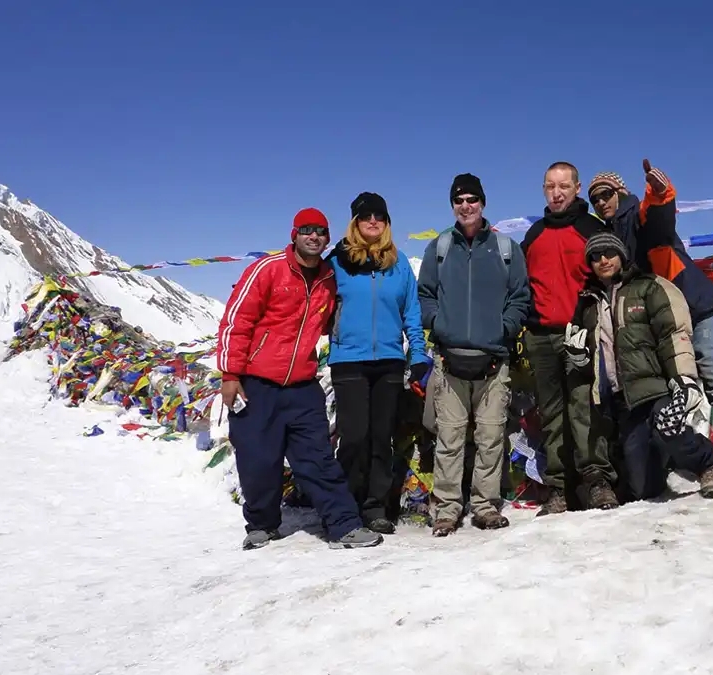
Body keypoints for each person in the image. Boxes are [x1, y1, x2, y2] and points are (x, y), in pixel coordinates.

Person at [586, 160, 713, 496]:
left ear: (620, 191)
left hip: (693, 308)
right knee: (671, 395)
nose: (601, 202)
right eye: (595, 199)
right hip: (657, 323)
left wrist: (660, 192)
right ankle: (685, 459)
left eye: (606, 194)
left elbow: (659, 218)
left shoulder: (636, 215)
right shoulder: (609, 237)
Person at [215, 208, 384, 550]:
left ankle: (344, 525)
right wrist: (230, 374)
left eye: (321, 232)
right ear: (294, 234)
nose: (314, 237)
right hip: (257, 382)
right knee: (258, 458)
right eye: (307, 230)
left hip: (303, 384)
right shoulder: (267, 269)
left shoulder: (326, 279)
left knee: (318, 458)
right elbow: (237, 322)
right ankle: (262, 524)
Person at [566, 233, 713, 501]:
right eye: (595, 256)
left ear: (621, 256)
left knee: (669, 424)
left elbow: (673, 333)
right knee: (643, 489)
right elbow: (587, 348)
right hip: (623, 401)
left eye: (609, 253)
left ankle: (706, 465)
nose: (603, 260)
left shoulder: (649, 287)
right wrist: (579, 358)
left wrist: (683, 378)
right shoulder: (588, 302)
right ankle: (662, 464)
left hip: (656, 388)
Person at [416, 173, 531, 536]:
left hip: (493, 362)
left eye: (472, 199)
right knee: (448, 438)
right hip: (450, 360)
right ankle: (447, 508)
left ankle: (485, 505)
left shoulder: (505, 249)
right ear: (452, 205)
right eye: (459, 200)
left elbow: (520, 297)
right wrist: (440, 324)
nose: (466, 206)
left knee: (491, 436)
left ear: (482, 203)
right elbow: (426, 295)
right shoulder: (440, 248)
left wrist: (503, 329)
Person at [327, 192, 430, 535]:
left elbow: (411, 312)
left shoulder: (398, 264)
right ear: (355, 222)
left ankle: (376, 507)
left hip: (388, 360)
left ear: (387, 223)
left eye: (380, 216)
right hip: (348, 361)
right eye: (366, 215)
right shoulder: (337, 262)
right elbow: (318, 305)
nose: (373, 221)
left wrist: (418, 353)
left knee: (381, 437)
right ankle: (346, 506)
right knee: (354, 437)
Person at [520, 161, 618, 515]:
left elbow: (610, 272)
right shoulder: (533, 236)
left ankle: (598, 483)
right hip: (541, 337)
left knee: (584, 409)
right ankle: (559, 488)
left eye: (563, 186)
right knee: (551, 414)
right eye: (550, 186)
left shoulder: (591, 229)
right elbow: (519, 285)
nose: (557, 193)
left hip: (581, 333)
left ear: (576, 188)